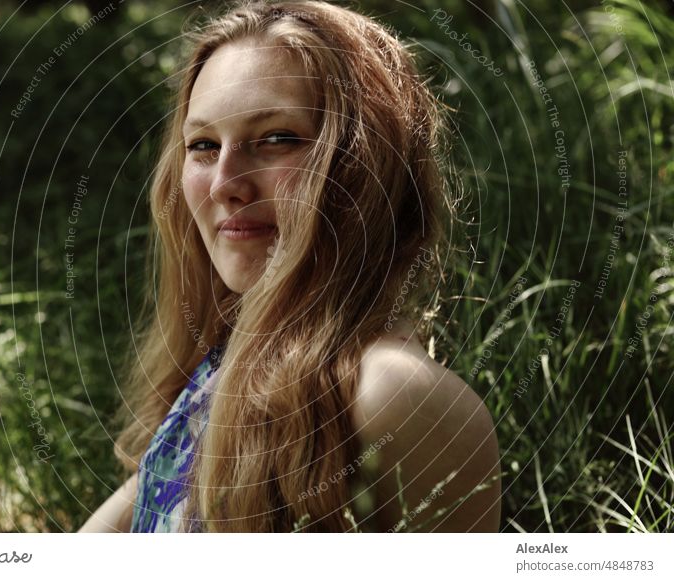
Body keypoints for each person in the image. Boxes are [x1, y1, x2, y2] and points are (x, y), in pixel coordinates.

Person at [79, 0, 501, 533]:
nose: (224, 184)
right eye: (204, 145)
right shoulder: (222, 370)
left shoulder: (394, 395)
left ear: (364, 166)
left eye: (277, 138)